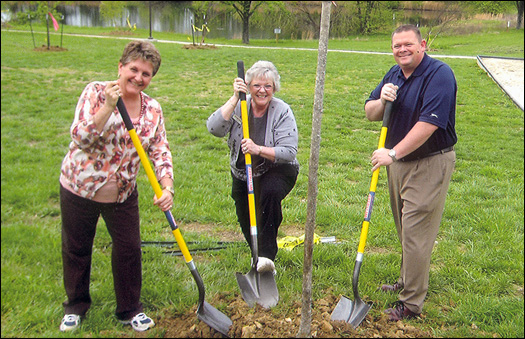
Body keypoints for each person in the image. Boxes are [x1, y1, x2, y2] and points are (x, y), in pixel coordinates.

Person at [59, 40, 173, 332]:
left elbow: (160, 151)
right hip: (79, 188)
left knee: (129, 250)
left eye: (146, 74)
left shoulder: (152, 110)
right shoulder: (96, 92)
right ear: (120, 67)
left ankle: (129, 309)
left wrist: (167, 187)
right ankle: (76, 306)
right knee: (77, 248)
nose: (138, 78)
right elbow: (80, 137)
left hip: (122, 193)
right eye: (133, 69)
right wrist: (109, 107)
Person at [365, 24, 457, 321]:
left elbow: (429, 125)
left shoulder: (439, 74)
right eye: (396, 46)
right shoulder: (393, 75)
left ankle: (411, 303)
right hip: (399, 165)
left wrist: (392, 153)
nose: (402, 50)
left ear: (423, 45)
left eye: (408, 44)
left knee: (416, 233)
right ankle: (407, 280)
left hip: (429, 162)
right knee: (406, 230)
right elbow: (370, 112)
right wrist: (383, 100)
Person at [207, 60, 299, 274]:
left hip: (276, 168)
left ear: (274, 88)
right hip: (243, 172)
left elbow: (289, 151)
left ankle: (267, 259)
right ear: (248, 86)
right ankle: (257, 256)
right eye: (257, 85)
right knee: (245, 213)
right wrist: (233, 99)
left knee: (269, 195)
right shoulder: (239, 106)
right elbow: (214, 128)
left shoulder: (282, 110)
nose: (262, 90)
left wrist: (258, 149)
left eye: (268, 86)